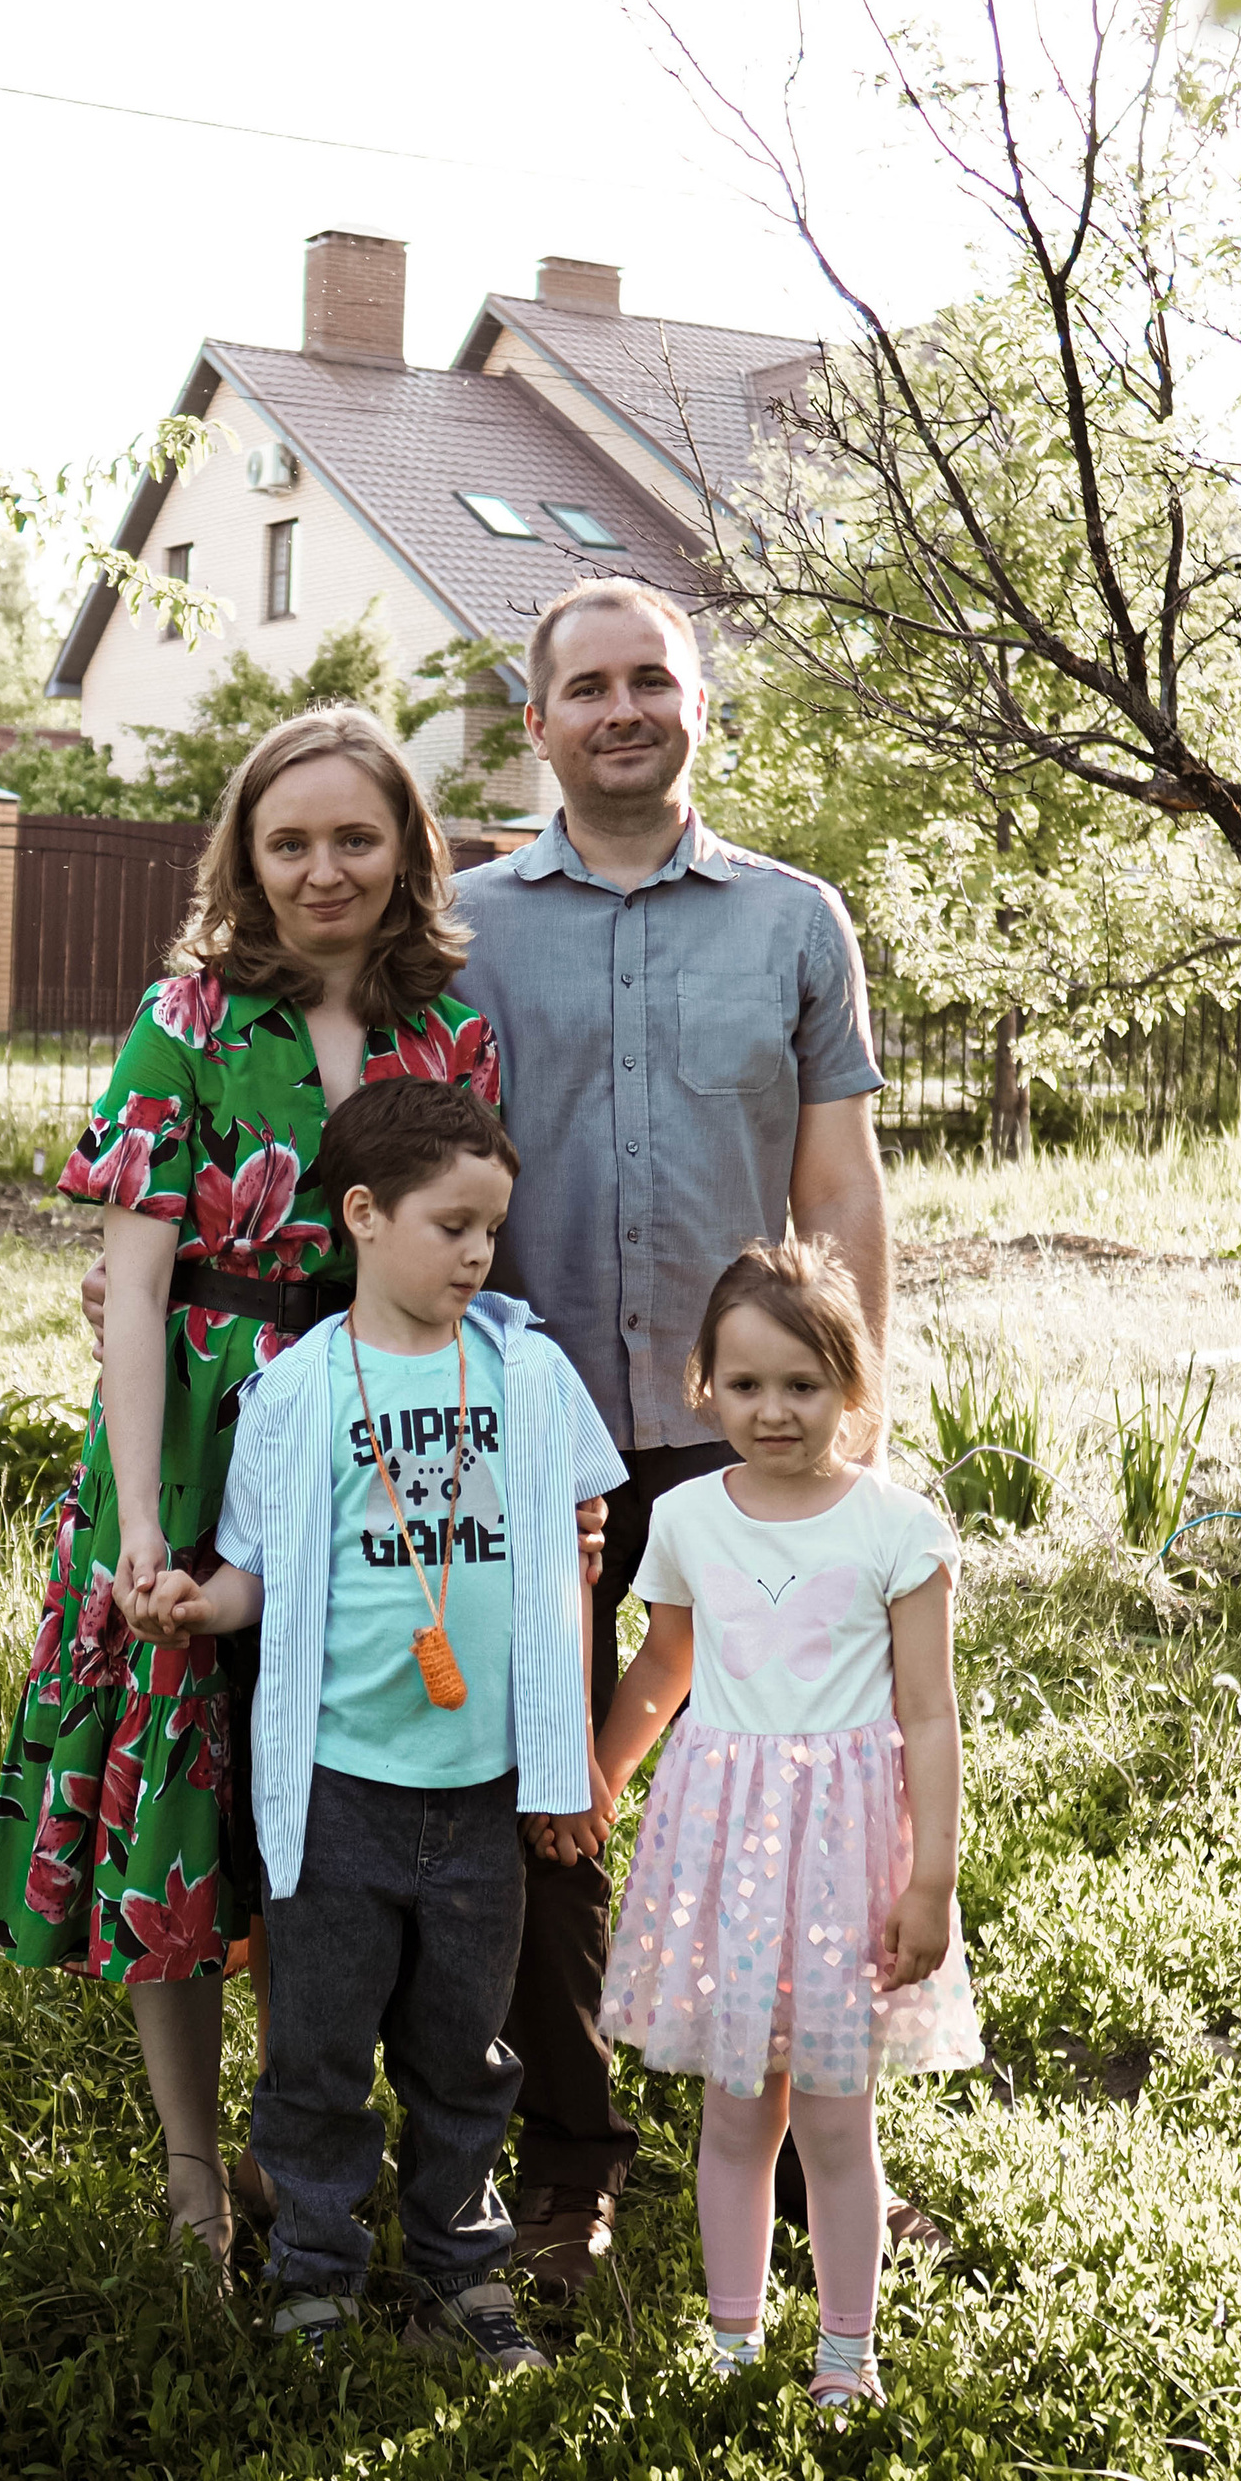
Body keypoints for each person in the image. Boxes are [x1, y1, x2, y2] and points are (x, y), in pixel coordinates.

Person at [0, 710, 502, 2269]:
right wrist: (142, 1518)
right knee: (180, 1794)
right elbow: (132, 1288)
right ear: (246, 861)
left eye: (356, 837)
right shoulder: (186, 1015)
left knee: (332, 1800)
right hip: (200, 1430)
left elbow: (469, 1251)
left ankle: (320, 2136)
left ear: (407, 846)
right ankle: (197, 2170)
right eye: (290, 842)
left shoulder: (450, 1028)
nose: (324, 869)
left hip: (371, 1427)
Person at [447, 578, 892, 2292]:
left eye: (655, 679)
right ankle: (572, 2157)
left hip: (748, 1442)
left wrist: (855, 1417)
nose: (623, 707)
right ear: (540, 717)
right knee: (537, 1799)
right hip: (523, 1435)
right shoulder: (467, 927)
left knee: (781, 1791)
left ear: (701, 705)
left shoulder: (796, 922)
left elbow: (839, 1178)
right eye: (590, 684)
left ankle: (795, 2165)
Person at [132, 1078, 622, 2370]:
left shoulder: (528, 1373)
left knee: (468, 2051)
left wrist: (563, 1761)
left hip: (478, 1792)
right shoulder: (294, 1397)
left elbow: (576, 1576)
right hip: (338, 1786)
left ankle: (463, 2271)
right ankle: (314, 2273)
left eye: (490, 1231)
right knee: (318, 2050)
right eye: (452, 1224)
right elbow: (256, 1577)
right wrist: (196, 1602)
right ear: (361, 1214)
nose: (478, 1252)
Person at [592, 1240, 980, 2400]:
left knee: (832, 2117)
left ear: (850, 1389)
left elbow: (928, 1715)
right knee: (733, 2110)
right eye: (747, 1383)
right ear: (704, 1382)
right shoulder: (688, 1518)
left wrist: (931, 1882)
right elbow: (664, 1662)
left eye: (803, 1385)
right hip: (724, 1854)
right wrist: (605, 1774)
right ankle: (731, 2339)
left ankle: (846, 2354)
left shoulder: (896, 1529)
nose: (774, 1410)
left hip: (846, 1860)